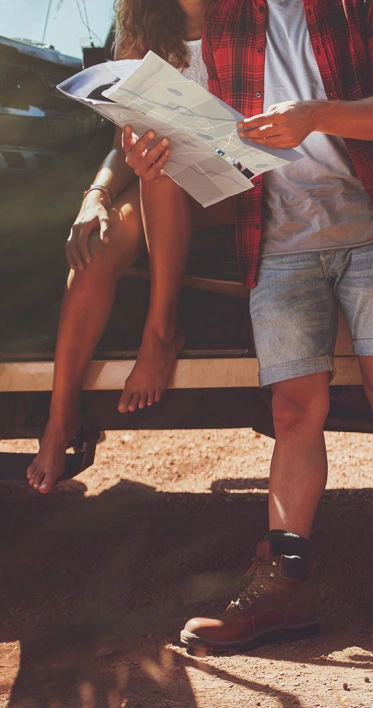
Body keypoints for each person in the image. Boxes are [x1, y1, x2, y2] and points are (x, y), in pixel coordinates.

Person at [177, 0, 373, 652]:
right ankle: (286, 587)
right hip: (276, 236)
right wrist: (156, 141)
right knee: (295, 409)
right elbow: (202, 123)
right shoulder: (230, 16)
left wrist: (316, 115)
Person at [26, 0, 230, 495]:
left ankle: (161, 331)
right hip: (162, 183)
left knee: (160, 165)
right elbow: (126, 143)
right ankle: (61, 416)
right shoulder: (142, 27)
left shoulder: (248, 17)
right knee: (97, 243)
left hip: (234, 187)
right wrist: (94, 196)